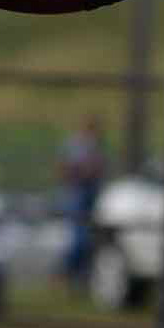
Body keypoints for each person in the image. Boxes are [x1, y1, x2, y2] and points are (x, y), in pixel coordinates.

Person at [56, 116, 108, 288]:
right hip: (77, 194)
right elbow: (65, 169)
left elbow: (100, 169)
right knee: (79, 238)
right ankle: (67, 274)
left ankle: (78, 276)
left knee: (87, 238)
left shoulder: (96, 147)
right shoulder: (76, 145)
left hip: (89, 195)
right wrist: (81, 173)